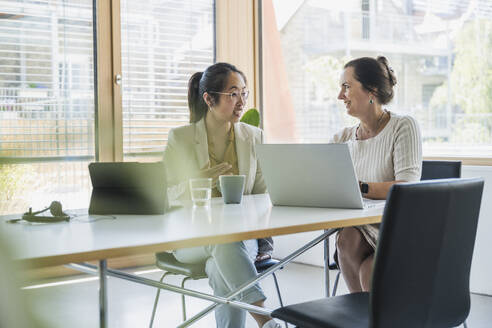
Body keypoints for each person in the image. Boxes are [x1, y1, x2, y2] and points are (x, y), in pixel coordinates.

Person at [163, 62, 279, 328]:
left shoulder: (254, 137)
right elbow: (166, 196)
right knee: (222, 240)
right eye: (233, 94)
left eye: (244, 93)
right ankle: (265, 320)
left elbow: (262, 194)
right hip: (189, 236)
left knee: (221, 263)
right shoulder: (180, 138)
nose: (241, 101)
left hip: (240, 238)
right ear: (208, 98)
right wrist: (197, 181)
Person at [333, 56, 422, 293]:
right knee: (347, 239)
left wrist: (360, 187)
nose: (340, 96)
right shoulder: (341, 138)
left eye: (346, 87)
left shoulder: (403, 127)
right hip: (356, 228)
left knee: (369, 270)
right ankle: (363, 316)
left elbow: (407, 187)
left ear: (371, 91)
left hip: (398, 228)